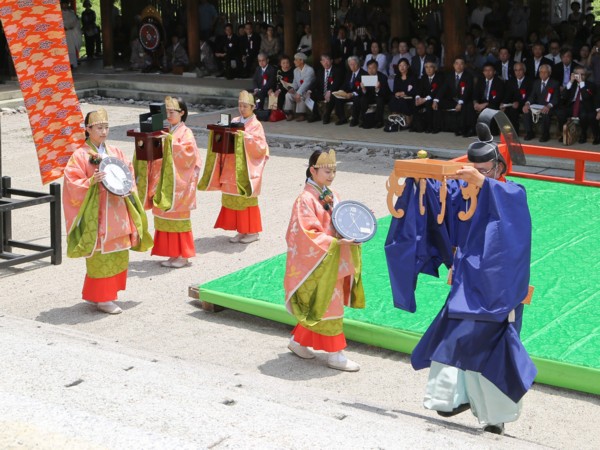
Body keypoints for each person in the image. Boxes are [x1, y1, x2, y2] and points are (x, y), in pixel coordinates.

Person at [385, 123, 536, 435]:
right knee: (452, 333)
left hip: (499, 288)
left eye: (486, 170)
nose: (479, 174)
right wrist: (421, 179)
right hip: (467, 281)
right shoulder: (465, 189)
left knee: (494, 346)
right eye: (474, 169)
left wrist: (482, 182)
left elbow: (510, 216)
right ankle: (448, 400)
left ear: (498, 167)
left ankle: (496, 417)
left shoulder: (511, 194)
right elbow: (440, 200)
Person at [63, 109, 153, 314]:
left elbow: (128, 174)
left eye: (106, 127)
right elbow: (71, 184)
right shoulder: (79, 155)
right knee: (100, 255)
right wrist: (90, 182)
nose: (104, 132)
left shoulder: (115, 152)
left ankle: (106, 294)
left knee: (118, 252)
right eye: (99, 128)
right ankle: (103, 298)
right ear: (87, 129)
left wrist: (127, 189)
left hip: (118, 212)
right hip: (98, 215)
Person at [284, 149, 365, 372]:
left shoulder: (331, 193)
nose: (331, 175)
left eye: (334, 170)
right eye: (327, 170)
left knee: (321, 304)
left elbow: (342, 220)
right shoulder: (305, 199)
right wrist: (335, 242)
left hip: (332, 257)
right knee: (330, 303)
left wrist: (355, 230)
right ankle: (335, 355)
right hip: (319, 260)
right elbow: (305, 234)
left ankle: (298, 342)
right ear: (313, 170)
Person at [134, 97, 202, 268]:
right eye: (168, 112)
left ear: (182, 113)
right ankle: (173, 254)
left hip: (180, 184)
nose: (169, 115)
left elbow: (189, 155)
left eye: (173, 112)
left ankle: (183, 255)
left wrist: (170, 142)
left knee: (178, 217)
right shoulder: (169, 130)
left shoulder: (186, 132)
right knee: (164, 216)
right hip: (164, 180)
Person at [198, 91, 269, 244]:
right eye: (240, 106)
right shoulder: (235, 120)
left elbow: (261, 147)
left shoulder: (256, 125)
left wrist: (244, 137)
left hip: (245, 168)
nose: (242, 109)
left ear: (253, 107)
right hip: (231, 166)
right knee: (233, 197)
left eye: (245, 106)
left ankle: (252, 231)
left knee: (245, 199)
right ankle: (241, 230)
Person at [555, 67, 600, 144]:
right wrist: (571, 81)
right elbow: (564, 96)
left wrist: (581, 83)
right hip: (572, 105)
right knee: (560, 113)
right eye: (577, 74)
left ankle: (583, 134)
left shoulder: (591, 85)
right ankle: (564, 133)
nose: (580, 76)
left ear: (586, 76)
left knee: (583, 115)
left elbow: (586, 96)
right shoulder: (572, 84)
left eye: (582, 74)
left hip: (585, 106)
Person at [522, 64, 559, 142]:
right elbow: (532, 96)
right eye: (541, 72)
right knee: (526, 110)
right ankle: (529, 132)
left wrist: (548, 106)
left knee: (546, 112)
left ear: (549, 73)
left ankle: (545, 134)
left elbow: (555, 99)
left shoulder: (555, 83)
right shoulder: (536, 83)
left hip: (549, 106)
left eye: (545, 72)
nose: (543, 74)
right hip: (538, 105)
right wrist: (527, 103)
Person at [307, 54, 343, 124]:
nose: (325, 63)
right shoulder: (320, 71)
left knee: (332, 95)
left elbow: (337, 83)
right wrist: (309, 90)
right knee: (311, 94)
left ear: (331, 61)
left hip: (332, 92)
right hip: (322, 93)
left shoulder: (337, 70)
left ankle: (327, 115)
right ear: (321, 62)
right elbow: (316, 82)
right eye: (323, 61)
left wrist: (329, 91)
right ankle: (316, 114)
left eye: (327, 60)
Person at [333, 55, 367, 126]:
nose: (352, 66)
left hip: (358, 94)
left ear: (358, 64)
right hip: (347, 94)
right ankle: (342, 118)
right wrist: (341, 91)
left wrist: (352, 94)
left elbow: (362, 89)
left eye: (354, 64)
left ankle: (355, 119)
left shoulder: (363, 73)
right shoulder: (349, 73)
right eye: (350, 64)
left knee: (357, 99)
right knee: (338, 98)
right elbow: (345, 84)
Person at [356, 59, 389, 129]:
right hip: (369, 96)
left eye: (373, 68)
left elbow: (385, 92)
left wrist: (378, 88)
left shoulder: (383, 77)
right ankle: (364, 120)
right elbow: (361, 93)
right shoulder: (364, 77)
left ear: (377, 68)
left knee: (380, 100)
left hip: (379, 96)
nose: (371, 70)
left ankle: (379, 121)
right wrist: (363, 89)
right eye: (369, 68)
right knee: (362, 99)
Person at [501, 62, 533, 135]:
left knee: (516, 110)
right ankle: (511, 132)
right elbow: (507, 95)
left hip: (525, 104)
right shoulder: (511, 81)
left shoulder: (530, 81)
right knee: (507, 110)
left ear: (524, 70)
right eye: (516, 70)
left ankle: (527, 133)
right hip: (513, 105)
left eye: (520, 70)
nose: (518, 72)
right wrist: (503, 103)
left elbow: (530, 96)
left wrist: (520, 103)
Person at [412, 61, 444, 133]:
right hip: (424, 98)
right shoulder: (424, 77)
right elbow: (419, 89)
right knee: (414, 103)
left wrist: (425, 99)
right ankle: (416, 126)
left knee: (428, 103)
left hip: (436, 99)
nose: (428, 69)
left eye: (431, 67)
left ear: (435, 68)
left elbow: (436, 91)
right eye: (426, 67)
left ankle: (430, 127)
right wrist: (418, 98)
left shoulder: (439, 77)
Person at [283, 52, 315, 122]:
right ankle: (290, 113)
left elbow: (306, 83)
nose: (294, 61)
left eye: (296, 60)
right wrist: (292, 88)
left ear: (301, 61)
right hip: (299, 90)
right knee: (288, 95)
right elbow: (295, 83)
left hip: (308, 91)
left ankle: (302, 114)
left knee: (300, 95)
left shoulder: (309, 70)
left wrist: (298, 93)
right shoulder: (295, 70)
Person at [61, 1, 82, 69]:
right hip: (63, 35)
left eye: (66, 4)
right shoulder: (59, 13)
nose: (65, 5)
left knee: (71, 50)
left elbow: (77, 22)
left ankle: (72, 64)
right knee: (64, 50)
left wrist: (72, 27)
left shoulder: (72, 13)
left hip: (71, 33)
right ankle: (65, 65)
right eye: (63, 4)